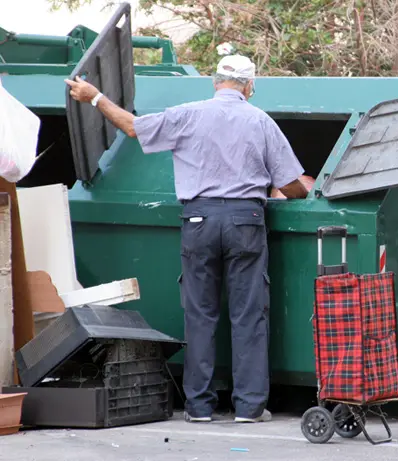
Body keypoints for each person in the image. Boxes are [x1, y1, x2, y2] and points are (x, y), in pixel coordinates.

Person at [65, 54, 309, 424]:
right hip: (246, 219)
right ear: (250, 85)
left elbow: (132, 127)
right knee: (248, 316)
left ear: (214, 81)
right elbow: (293, 185)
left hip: (198, 219)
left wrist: (95, 96)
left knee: (200, 315)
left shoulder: (187, 114)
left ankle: (199, 407)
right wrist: (289, 190)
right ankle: (249, 408)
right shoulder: (261, 121)